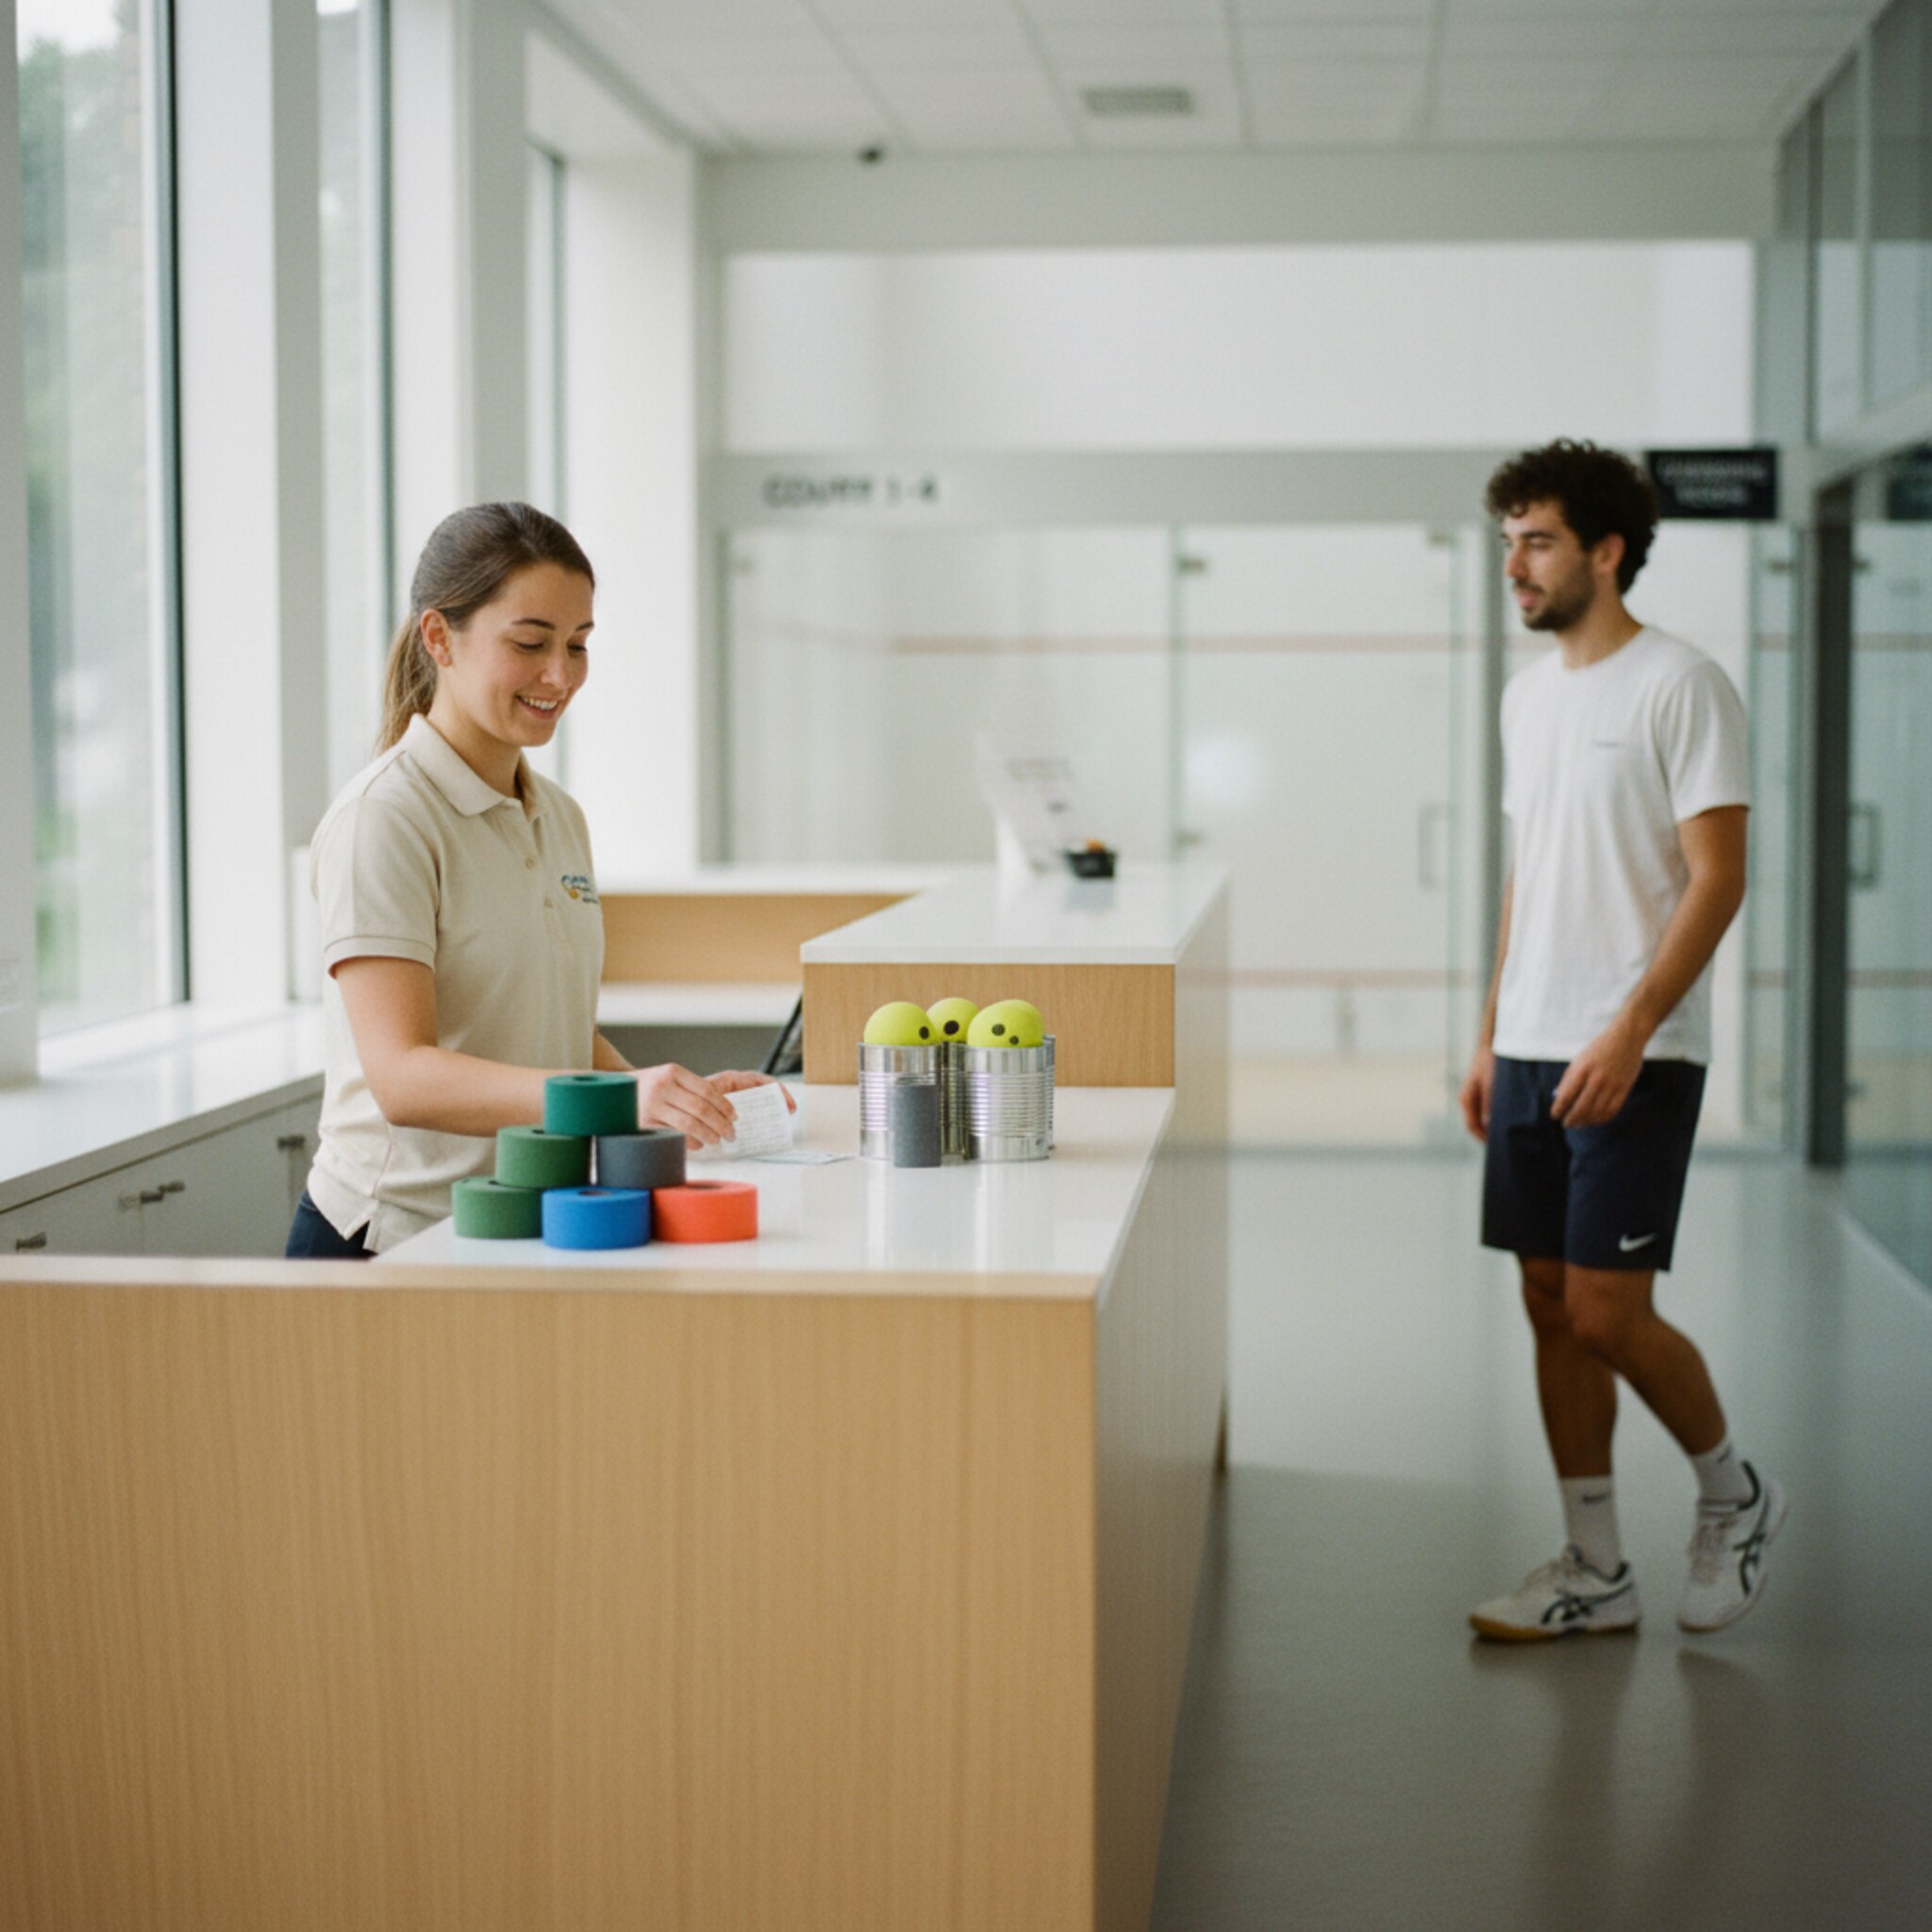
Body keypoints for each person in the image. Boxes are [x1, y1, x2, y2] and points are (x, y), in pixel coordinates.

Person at [1459, 440, 1786, 1641]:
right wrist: (1494, 1036)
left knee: (1605, 1308)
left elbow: (1717, 877)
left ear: (1605, 549)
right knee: (1547, 1301)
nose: (1514, 564)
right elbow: (1527, 876)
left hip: (1635, 1050)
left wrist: (1630, 1027)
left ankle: (1732, 1490)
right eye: (1506, 541)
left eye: (1536, 539)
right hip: (1534, 1044)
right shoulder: (1526, 694)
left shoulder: (1681, 684)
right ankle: (1594, 1566)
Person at [287, 502, 783, 1258]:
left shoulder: (557, 815)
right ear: (438, 638)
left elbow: (545, 1029)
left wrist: (680, 1100)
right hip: (394, 1238)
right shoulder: (384, 818)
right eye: (530, 643)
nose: (560, 676)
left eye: (579, 645)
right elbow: (403, 1077)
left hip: (524, 1224)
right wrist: (622, 1102)